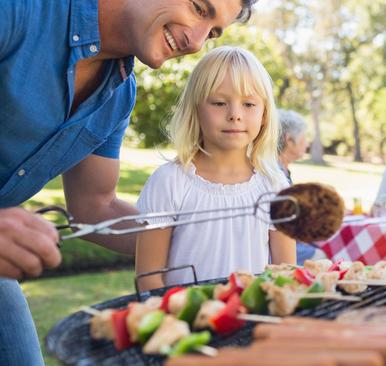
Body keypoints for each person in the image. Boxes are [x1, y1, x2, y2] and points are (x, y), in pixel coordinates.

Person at [0, 1, 255, 364]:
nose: (197, 42)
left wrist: (198, 234)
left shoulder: (118, 95)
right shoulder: (21, 10)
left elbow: (93, 208)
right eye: (199, 8)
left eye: (213, 32)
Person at [135, 46, 296, 291]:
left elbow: (287, 277)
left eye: (249, 104)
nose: (235, 115)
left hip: (249, 323)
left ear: (265, 114)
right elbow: (149, 279)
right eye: (219, 103)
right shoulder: (168, 182)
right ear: (196, 110)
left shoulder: (275, 188)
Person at [277, 109, 317, 265]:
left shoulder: (282, 170)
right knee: (323, 254)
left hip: (292, 242)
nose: (307, 143)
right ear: (289, 140)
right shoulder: (277, 175)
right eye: (304, 137)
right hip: (284, 249)